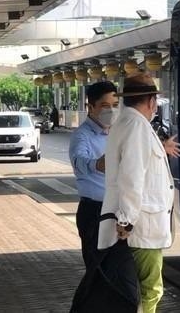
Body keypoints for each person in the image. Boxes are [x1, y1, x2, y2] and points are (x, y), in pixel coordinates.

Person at [98, 73, 176, 313]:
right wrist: (127, 220)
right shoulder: (136, 126)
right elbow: (131, 178)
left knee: (138, 292)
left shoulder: (127, 123)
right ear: (152, 101)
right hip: (142, 228)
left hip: (139, 225)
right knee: (149, 292)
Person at [69, 81, 120, 269]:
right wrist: (97, 164)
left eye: (115, 106)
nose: (112, 111)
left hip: (117, 211)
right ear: (90, 107)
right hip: (94, 213)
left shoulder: (117, 133)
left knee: (117, 271)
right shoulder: (82, 135)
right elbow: (79, 161)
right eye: (105, 106)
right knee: (98, 272)